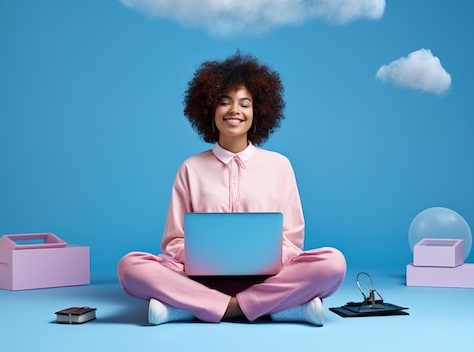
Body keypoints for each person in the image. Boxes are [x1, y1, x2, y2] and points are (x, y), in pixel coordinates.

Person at [117, 52, 346, 326]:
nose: (234, 110)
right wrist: (205, 256)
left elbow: (292, 242)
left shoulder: (280, 165)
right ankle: (275, 309)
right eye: (224, 103)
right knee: (130, 266)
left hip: (268, 278)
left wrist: (263, 256)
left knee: (333, 263)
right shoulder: (190, 167)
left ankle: (194, 308)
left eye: (244, 104)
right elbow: (173, 242)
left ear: (257, 112)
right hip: (198, 278)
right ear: (209, 111)